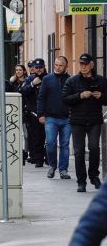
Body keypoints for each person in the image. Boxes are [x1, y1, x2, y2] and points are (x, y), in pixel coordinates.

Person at [65, 53, 105, 192]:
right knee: (79, 152)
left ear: (91, 65)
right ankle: (81, 182)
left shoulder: (101, 80)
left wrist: (101, 96)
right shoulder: (72, 81)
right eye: (81, 64)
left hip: (94, 120)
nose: (83, 67)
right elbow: (65, 99)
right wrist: (80, 95)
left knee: (94, 148)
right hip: (77, 121)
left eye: (86, 64)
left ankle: (94, 176)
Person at [42, 53, 73, 180]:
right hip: (51, 118)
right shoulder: (47, 79)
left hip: (67, 118)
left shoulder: (71, 80)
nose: (58, 67)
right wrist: (41, 114)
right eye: (56, 65)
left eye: (61, 65)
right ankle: (52, 166)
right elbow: (41, 97)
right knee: (50, 143)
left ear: (66, 67)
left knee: (65, 144)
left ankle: (63, 170)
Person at [20, 59, 47, 169]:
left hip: (47, 112)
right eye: (36, 68)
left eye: (40, 67)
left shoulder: (48, 78)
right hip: (34, 113)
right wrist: (32, 84)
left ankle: (48, 157)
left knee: (49, 138)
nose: (38, 69)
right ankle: (38, 159)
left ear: (44, 67)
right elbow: (21, 92)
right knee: (37, 137)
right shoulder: (30, 79)